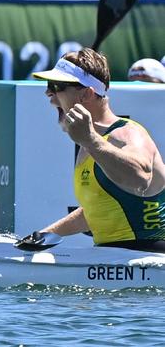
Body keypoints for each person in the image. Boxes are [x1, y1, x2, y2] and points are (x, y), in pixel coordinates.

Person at [31, 48, 165, 251]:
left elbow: (140, 180)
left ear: (87, 93)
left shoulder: (127, 134)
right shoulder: (91, 142)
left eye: (56, 86)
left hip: (149, 261)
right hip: (113, 261)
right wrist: (47, 234)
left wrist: (92, 140)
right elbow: (98, 209)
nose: (48, 94)